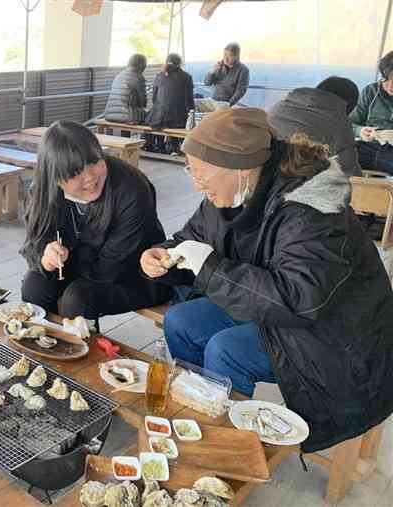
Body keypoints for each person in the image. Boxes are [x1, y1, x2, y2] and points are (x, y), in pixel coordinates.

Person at [139, 108, 393, 454]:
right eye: (190, 171)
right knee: (181, 321)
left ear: (240, 168)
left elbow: (298, 300)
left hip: (332, 328)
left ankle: (228, 447)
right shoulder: (231, 191)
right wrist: (162, 255)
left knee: (226, 350)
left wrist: (210, 268)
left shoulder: (311, 206)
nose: (196, 183)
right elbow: (191, 237)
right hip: (266, 301)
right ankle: (202, 413)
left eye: (202, 174)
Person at [20, 121, 171, 320]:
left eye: (94, 162)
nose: (90, 177)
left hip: (135, 272)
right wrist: (45, 258)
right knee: (34, 286)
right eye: (75, 173)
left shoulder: (132, 189)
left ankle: (74, 347)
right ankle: (44, 343)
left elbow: (110, 267)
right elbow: (34, 243)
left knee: (77, 299)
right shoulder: (42, 190)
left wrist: (68, 263)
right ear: (55, 178)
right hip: (82, 265)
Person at [269, 76, 361, 176]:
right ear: (348, 105)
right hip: (299, 182)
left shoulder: (279, 106)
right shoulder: (339, 122)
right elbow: (349, 170)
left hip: (263, 176)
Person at [350, 51, 393, 175]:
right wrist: (360, 131)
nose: (391, 85)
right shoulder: (371, 91)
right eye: (387, 79)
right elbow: (349, 124)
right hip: (367, 148)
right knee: (334, 161)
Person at [144, 53, 194, 155]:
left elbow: (154, 99)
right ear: (180, 64)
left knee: (157, 115)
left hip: (158, 118)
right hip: (177, 119)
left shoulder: (159, 75)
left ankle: (160, 145)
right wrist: (192, 111)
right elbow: (189, 100)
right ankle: (175, 147)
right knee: (179, 115)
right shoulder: (187, 77)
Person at [103, 53, 148, 125]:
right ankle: (141, 137)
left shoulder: (119, 76)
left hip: (109, 115)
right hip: (128, 116)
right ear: (142, 65)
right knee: (150, 118)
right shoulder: (138, 78)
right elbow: (143, 102)